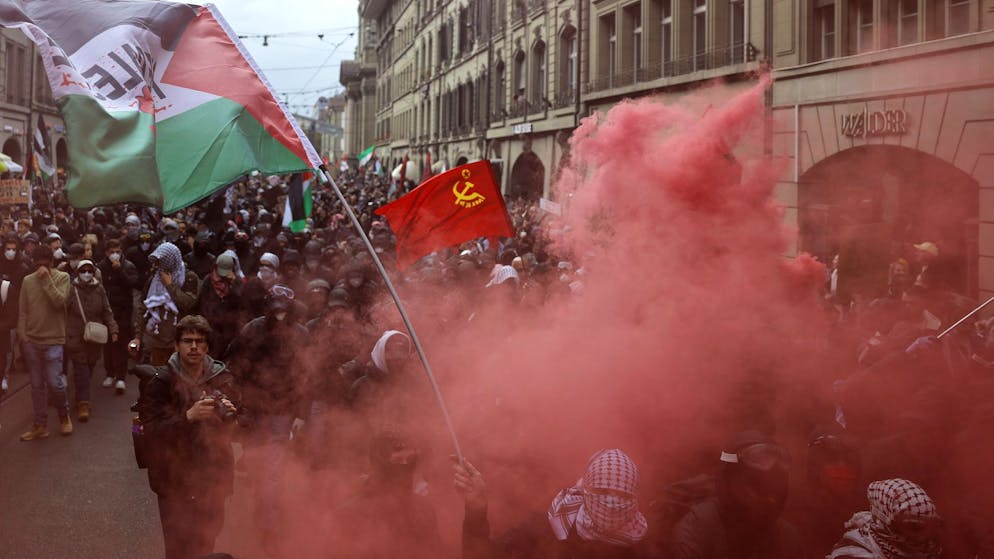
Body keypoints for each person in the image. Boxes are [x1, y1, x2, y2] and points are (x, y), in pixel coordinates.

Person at [136, 315, 240, 559]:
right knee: (178, 548)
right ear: (176, 345)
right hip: (174, 481)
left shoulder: (222, 379)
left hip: (212, 478)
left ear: (206, 347)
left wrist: (231, 415)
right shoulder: (160, 382)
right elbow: (150, 434)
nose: (193, 347)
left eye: (199, 341)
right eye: (187, 341)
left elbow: (242, 427)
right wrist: (188, 417)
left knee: (206, 542)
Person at [223, 285, 308, 554]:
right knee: (260, 469)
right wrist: (239, 400)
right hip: (254, 409)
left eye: (284, 310)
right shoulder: (252, 330)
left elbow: (307, 375)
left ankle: (269, 526)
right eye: (276, 310)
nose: (280, 315)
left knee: (273, 471)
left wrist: (301, 413)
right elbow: (232, 364)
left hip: (283, 412)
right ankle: (265, 510)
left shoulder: (300, 335)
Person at [455, 448, 649, 559]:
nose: (612, 501)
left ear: (634, 499)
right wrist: (476, 510)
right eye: (602, 491)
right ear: (585, 489)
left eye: (621, 494)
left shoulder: (644, 547)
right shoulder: (546, 530)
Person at [667, 431, 803, 559]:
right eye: (755, 484)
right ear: (726, 483)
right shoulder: (696, 533)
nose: (769, 497)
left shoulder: (787, 539)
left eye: (774, 484)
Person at [17, 244, 73, 440]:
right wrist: (23, 337)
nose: (41, 268)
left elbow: (60, 302)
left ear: (51, 262)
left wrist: (47, 279)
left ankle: (64, 415)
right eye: (38, 265)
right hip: (32, 341)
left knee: (55, 383)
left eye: (45, 265)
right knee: (36, 386)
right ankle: (40, 424)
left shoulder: (62, 278)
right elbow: (23, 312)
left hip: (54, 340)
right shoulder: (27, 281)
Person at [827, 478, 942, 559]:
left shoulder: (926, 551)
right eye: (914, 527)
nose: (923, 537)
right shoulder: (852, 554)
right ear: (886, 523)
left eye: (928, 528)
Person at [66, 259, 118, 421]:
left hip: (94, 338)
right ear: (78, 272)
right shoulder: (71, 289)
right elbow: (62, 310)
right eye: (83, 271)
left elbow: (107, 311)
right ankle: (84, 404)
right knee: (81, 369)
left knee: (88, 369)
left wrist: (113, 329)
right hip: (76, 336)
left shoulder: (99, 289)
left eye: (90, 270)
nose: (86, 274)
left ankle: (81, 396)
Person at [132, 242, 199, 367]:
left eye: (161, 261)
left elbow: (188, 304)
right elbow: (144, 306)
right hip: (156, 340)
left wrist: (169, 285)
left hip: (179, 339)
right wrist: (138, 336)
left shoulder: (189, 277)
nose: (158, 266)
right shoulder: (155, 278)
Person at [99, 238, 140, 392]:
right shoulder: (101, 267)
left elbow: (133, 283)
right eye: (112, 252)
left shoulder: (128, 266)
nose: (115, 255)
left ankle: (121, 377)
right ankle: (110, 372)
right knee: (108, 343)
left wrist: (119, 271)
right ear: (106, 253)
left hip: (123, 310)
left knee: (122, 342)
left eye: (117, 252)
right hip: (107, 310)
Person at [196, 253, 244, 356]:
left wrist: (234, 283)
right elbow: (201, 301)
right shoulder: (208, 280)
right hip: (209, 326)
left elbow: (241, 300)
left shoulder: (237, 281)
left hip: (228, 329)